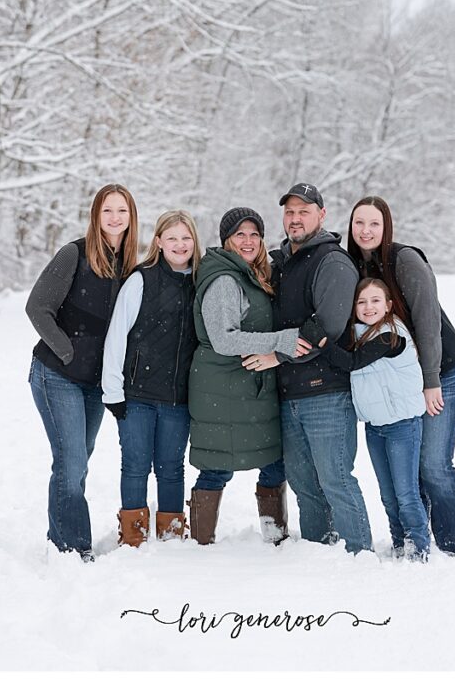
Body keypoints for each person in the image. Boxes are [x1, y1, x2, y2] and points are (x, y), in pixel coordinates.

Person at [347, 196, 455, 563]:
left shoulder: (404, 260)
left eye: (374, 223)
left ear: (387, 226)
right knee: (409, 469)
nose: (366, 231)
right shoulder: (356, 267)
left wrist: (431, 379)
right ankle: (415, 542)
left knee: (434, 466)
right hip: (404, 381)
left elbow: (428, 322)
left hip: (443, 373)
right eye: (359, 223)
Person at [26, 183, 139, 560]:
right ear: (96, 215)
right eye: (107, 210)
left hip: (93, 384)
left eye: (121, 210)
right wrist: (67, 352)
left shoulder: (129, 266)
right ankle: (73, 549)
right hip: (56, 373)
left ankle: (61, 537)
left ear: (131, 216)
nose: (115, 218)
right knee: (71, 461)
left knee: (77, 461)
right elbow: (37, 307)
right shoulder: (73, 254)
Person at [268, 183, 372, 554]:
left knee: (336, 479)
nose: (296, 219)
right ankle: (318, 551)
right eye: (290, 212)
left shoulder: (332, 261)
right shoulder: (280, 261)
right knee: (303, 483)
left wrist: (275, 356)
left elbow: (325, 327)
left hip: (326, 393)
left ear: (322, 215)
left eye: (304, 211)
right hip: (288, 394)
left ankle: (359, 555)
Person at [187, 208, 295, 545]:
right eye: (240, 235)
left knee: (274, 461)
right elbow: (224, 339)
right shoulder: (224, 279)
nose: (248, 241)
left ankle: (275, 535)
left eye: (254, 234)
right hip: (223, 387)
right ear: (226, 240)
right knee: (218, 465)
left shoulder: (249, 273)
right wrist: (281, 341)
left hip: (247, 387)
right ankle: (201, 542)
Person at [303, 278, 430, 561]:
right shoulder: (360, 334)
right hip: (376, 426)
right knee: (388, 494)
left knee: (406, 493)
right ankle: (400, 543)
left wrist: (321, 340)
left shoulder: (391, 335)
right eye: (361, 302)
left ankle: (418, 549)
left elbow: (352, 362)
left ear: (388, 305)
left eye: (375, 301)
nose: (368, 307)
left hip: (402, 426)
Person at [101, 210, 201, 547]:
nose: (179, 244)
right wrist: (112, 389)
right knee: (135, 465)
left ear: (194, 242)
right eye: (171, 238)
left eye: (185, 238)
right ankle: (133, 536)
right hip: (137, 395)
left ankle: (172, 536)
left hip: (179, 397)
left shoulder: (201, 282)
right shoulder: (141, 279)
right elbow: (117, 335)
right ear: (158, 242)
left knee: (172, 468)